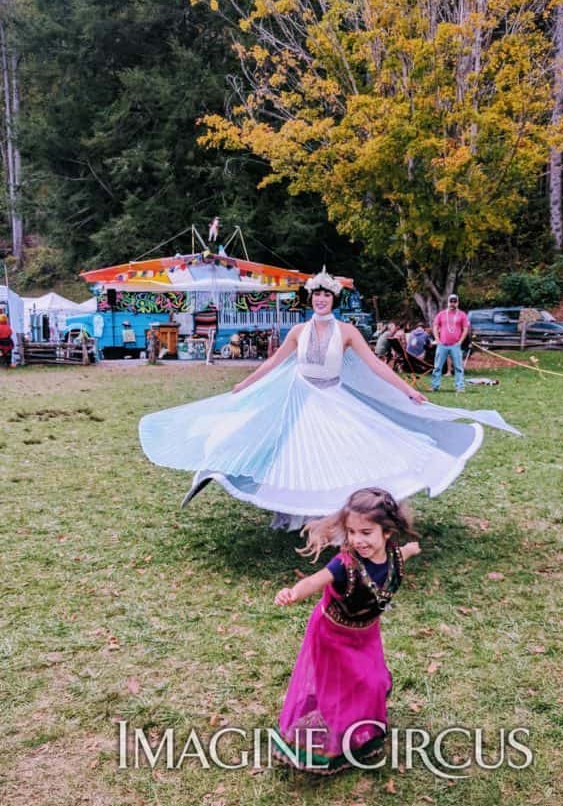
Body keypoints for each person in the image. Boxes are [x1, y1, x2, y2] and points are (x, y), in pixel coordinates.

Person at [139, 268, 518, 530]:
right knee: (295, 457)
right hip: (300, 400)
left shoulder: (349, 331)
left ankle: (338, 517)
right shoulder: (299, 331)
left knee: (343, 455)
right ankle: (295, 514)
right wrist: (245, 385)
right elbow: (275, 362)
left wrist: (408, 389)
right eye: (316, 295)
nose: (320, 300)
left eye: (326, 295)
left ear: (333, 299)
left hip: (335, 398)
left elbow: (373, 366)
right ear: (310, 298)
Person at [272, 488, 421, 773]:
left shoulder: (392, 557)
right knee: (338, 690)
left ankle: (363, 731)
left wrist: (412, 549)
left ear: (387, 532)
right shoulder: (344, 564)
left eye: (366, 532)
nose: (357, 540)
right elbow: (316, 581)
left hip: (366, 635)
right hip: (332, 636)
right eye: (352, 532)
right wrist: (292, 593)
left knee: (373, 681)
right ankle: (334, 744)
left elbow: (400, 555)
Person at [431, 294, 469, 393]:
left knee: (458, 367)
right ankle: (435, 386)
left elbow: (465, 329)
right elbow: (435, 326)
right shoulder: (441, 314)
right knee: (437, 367)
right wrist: (437, 339)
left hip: (455, 345)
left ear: (457, 302)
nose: (452, 303)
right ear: (448, 302)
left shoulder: (462, 315)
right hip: (442, 344)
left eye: (454, 301)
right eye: (451, 301)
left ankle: (460, 386)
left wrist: (460, 341)